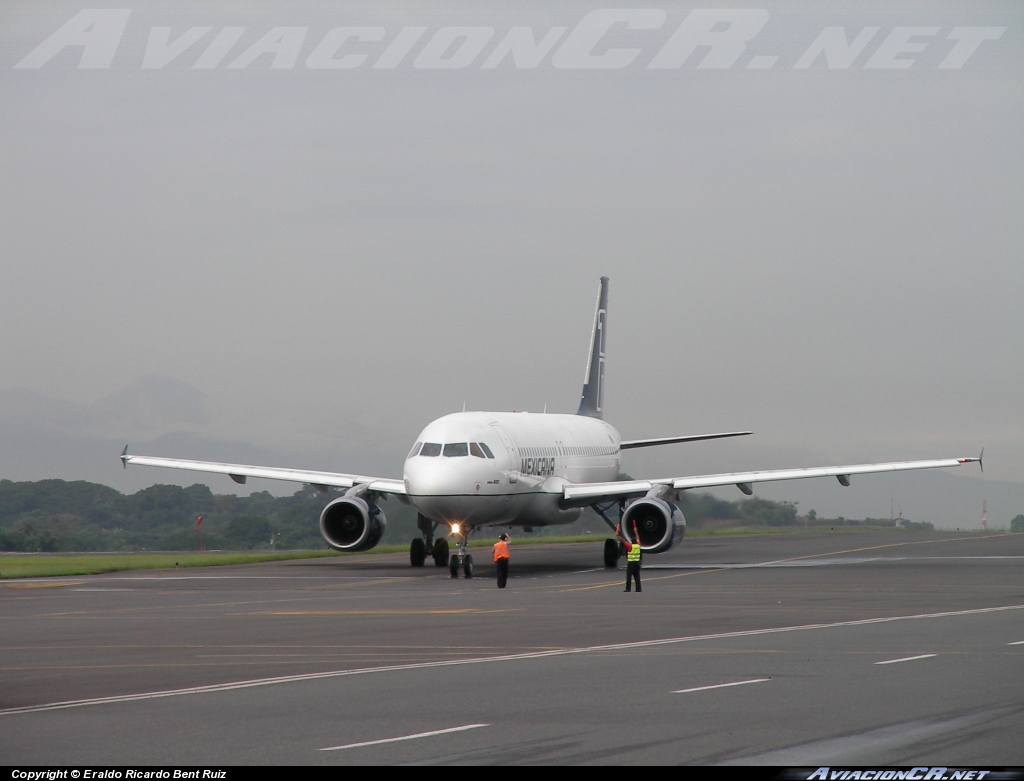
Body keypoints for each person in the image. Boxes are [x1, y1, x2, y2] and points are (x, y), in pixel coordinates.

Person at [616, 523, 641, 592]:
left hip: (631, 563)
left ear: (632, 542)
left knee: (629, 576)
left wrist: (617, 535)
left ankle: (628, 588)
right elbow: (638, 538)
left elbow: (623, 541)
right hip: (637, 563)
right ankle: (638, 589)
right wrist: (636, 532)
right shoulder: (638, 546)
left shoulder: (630, 546)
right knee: (637, 577)